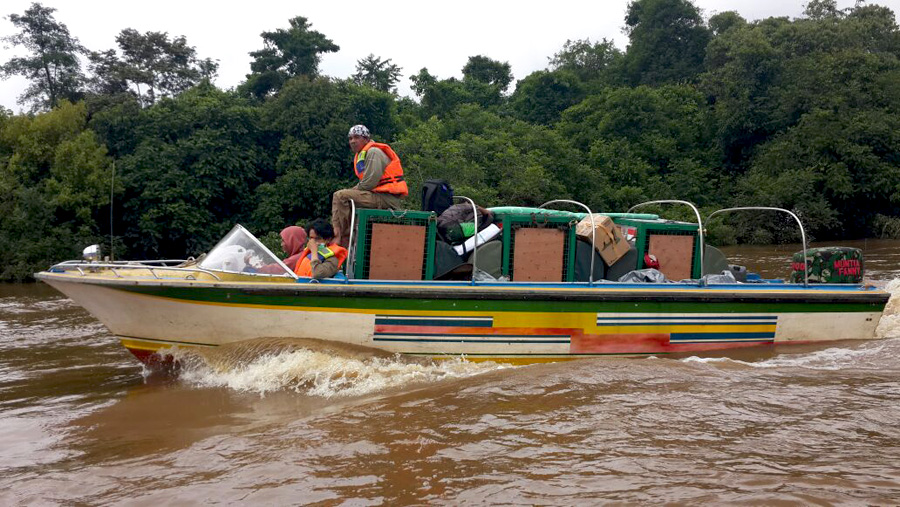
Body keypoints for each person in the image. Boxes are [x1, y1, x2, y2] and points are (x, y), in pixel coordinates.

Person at [331, 125, 408, 247]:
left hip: (386, 198)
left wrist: (351, 191)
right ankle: (344, 235)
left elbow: (369, 183)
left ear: (366, 139)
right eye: (350, 138)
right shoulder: (362, 154)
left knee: (341, 196)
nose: (352, 141)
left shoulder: (373, 152)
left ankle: (340, 237)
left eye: (356, 137)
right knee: (343, 200)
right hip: (377, 195)